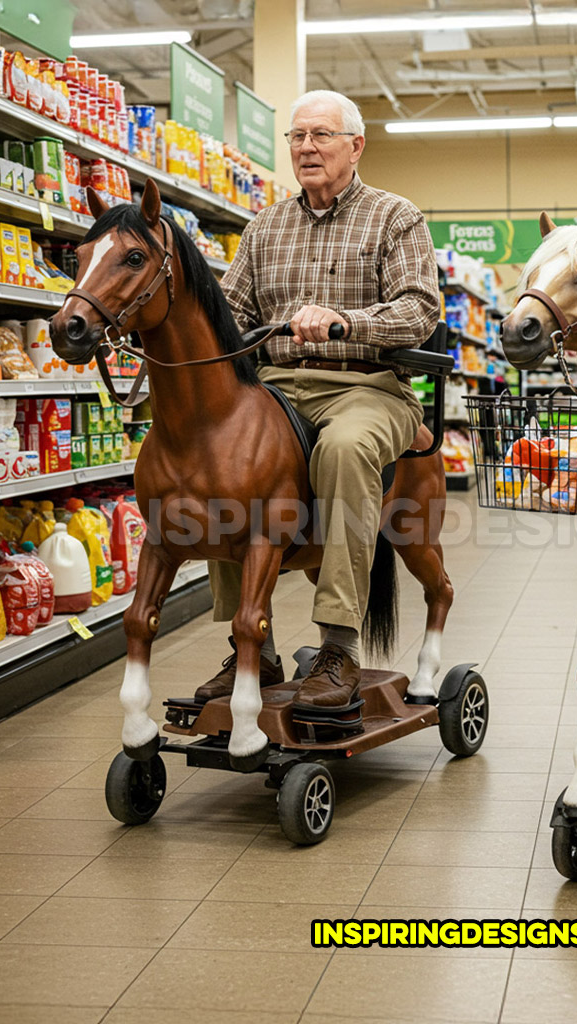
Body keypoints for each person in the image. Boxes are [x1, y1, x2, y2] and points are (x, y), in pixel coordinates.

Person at [196, 89, 439, 711]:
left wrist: (345, 322)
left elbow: (420, 311)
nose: (307, 147)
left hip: (368, 386)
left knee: (346, 446)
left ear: (356, 146)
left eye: (322, 135)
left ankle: (337, 645)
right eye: (298, 136)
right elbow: (233, 315)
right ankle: (255, 644)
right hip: (277, 386)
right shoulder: (263, 226)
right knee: (222, 461)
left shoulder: (394, 216)